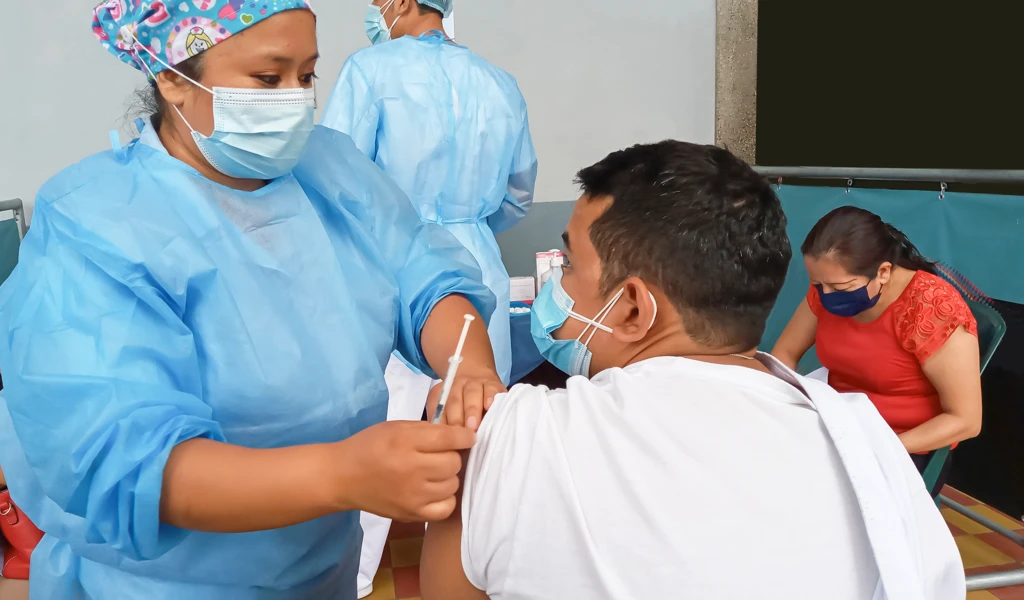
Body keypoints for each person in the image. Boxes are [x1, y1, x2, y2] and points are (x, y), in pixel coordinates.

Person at [0, 3, 507, 599]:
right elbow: (120, 462)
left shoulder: (331, 170)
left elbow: (425, 271)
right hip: (169, 585)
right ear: (171, 77)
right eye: (269, 79)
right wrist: (340, 473)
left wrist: (467, 363)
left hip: (323, 568)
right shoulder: (97, 225)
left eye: (308, 75)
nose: (295, 98)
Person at [418, 142, 965, 600]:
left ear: (633, 307)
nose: (557, 284)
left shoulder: (506, 436)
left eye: (571, 265)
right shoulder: (868, 453)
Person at [320, 1, 537, 594]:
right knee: (478, 444)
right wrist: (465, 229)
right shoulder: (499, 82)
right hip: (476, 271)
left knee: (373, 440)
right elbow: (517, 195)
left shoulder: (370, 70)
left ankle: (352, 583)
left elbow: (334, 179)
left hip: (387, 268)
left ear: (401, 3)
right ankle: (486, 579)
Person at [772, 207, 982, 495]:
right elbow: (785, 352)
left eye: (840, 287)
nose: (826, 296)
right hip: (839, 424)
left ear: (883, 272)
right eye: (817, 285)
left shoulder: (931, 309)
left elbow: (966, 420)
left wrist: (881, 447)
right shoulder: (828, 289)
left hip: (904, 443)